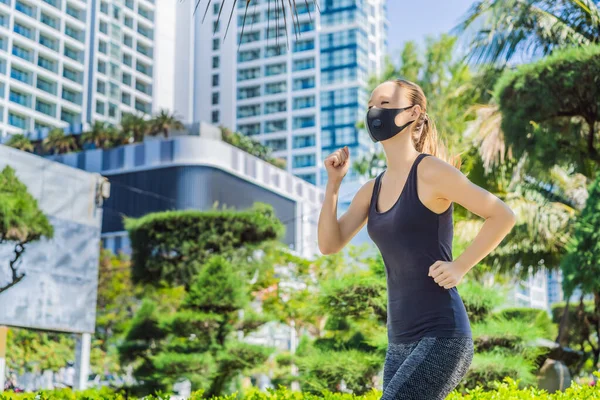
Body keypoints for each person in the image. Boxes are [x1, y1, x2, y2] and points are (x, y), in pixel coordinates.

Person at [317, 79, 516, 400]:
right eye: (370, 105)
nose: (374, 112)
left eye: (383, 103)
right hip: (399, 340)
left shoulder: (431, 172)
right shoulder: (372, 189)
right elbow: (329, 244)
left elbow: (502, 215)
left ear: (413, 113)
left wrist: (460, 266)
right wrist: (334, 185)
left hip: (442, 334)